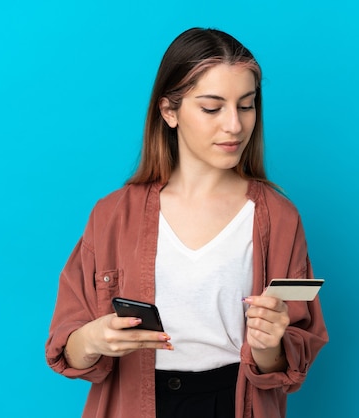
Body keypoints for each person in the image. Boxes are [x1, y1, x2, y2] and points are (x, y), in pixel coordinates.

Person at [45, 27, 328, 418]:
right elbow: (66, 349)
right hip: (135, 403)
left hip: (233, 402)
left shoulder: (279, 218)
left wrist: (269, 347)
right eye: (212, 108)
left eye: (246, 106)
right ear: (169, 111)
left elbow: (292, 360)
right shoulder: (112, 215)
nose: (234, 125)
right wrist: (93, 338)